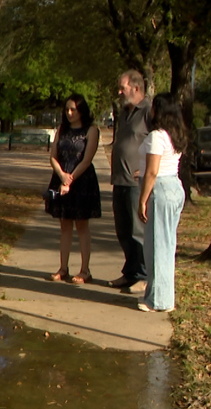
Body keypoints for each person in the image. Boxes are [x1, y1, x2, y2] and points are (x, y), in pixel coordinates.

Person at [136, 93, 187, 313]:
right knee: (165, 244)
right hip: (174, 186)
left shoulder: (157, 135)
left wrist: (143, 199)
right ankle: (159, 295)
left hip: (161, 190)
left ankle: (159, 300)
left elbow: (154, 171)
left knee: (158, 246)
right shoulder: (175, 135)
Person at [44, 93, 102, 284]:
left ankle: (85, 270)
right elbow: (53, 156)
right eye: (67, 109)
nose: (69, 113)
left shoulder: (91, 130)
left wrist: (70, 180)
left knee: (82, 225)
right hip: (61, 177)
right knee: (65, 225)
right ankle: (63, 268)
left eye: (73, 109)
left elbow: (87, 159)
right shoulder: (62, 129)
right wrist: (61, 175)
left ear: (81, 111)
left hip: (82, 181)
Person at [108, 70, 153, 294]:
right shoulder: (124, 113)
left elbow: (161, 143)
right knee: (123, 230)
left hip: (138, 183)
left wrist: (147, 170)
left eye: (122, 88)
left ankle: (143, 276)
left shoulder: (149, 111)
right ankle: (130, 272)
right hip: (120, 180)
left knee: (138, 230)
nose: (119, 92)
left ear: (136, 88)